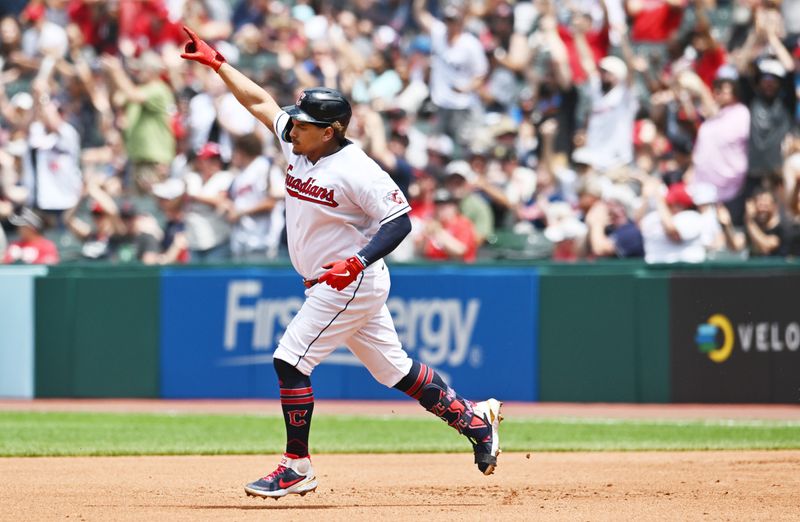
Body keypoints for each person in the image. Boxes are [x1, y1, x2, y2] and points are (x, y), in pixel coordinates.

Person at [180, 25, 502, 499]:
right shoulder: (300, 142)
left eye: (304, 123)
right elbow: (259, 103)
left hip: (349, 279)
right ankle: (475, 420)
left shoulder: (357, 170)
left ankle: (296, 465)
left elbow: (399, 221)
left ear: (329, 131)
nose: (293, 126)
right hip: (333, 280)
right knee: (394, 370)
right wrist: (218, 62)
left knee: (289, 360)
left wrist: (357, 261)